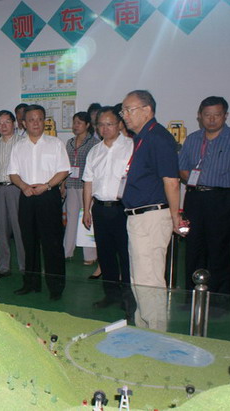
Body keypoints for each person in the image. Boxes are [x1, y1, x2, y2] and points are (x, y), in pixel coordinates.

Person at [179, 96, 230, 308]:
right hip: (195, 199)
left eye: (217, 115)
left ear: (225, 115)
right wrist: (196, 182)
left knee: (220, 252)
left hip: (222, 200)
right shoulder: (192, 139)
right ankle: (192, 298)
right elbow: (182, 168)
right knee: (193, 250)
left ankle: (220, 303)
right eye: (207, 115)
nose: (212, 119)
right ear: (199, 116)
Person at [120, 90, 182, 331]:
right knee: (139, 278)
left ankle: (156, 332)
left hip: (151, 217)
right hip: (139, 217)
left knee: (149, 279)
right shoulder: (142, 137)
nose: (125, 115)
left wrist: (175, 216)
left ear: (147, 110)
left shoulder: (158, 138)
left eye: (129, 110)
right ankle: (143, 328)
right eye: (123, 111)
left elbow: (172, 181)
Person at [8, 105, 70, 300]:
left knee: (52, 244)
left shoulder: (55, 144)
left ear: (44, 121)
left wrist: (47, 185)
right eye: (31, 120)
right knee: (29, 242)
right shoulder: (18, 146)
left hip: (48, 196)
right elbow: (13, 173)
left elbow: (64, 170)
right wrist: (23, 186)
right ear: (24, 123)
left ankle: (56, 287)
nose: (35, 123)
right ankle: (31, 283)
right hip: (26, 196)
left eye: (39, 119)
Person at [82, 107, 136, 321]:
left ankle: (129, 299)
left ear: (119, 124)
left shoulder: (131, 146)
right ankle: (111, 295)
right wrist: (86, 210)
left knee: (126, 255)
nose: (105, 128)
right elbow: (88, 182)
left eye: (109, 124)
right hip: (100, 209)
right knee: (105, 255)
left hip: (123, 209)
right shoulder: (94, 151)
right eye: (101, 125)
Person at [0, 110, 25, 277]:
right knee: (1, 229)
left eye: (7, 122)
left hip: (18, 189)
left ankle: (25, 266)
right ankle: (3, 267)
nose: (3, 126)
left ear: (14, 123)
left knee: (19, 229)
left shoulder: (22, 142)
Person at [61, 112, 99, 269]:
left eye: (79, 123)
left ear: (87, 125)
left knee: (87, 219)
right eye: (74, 122)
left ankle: (90, 255)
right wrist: (63, 183)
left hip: (86, 187)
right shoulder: (69, 142)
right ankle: (67, 251)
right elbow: (65, 165)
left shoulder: (94, 143)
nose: (75, 126)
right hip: (71, 184)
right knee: (71, 219)